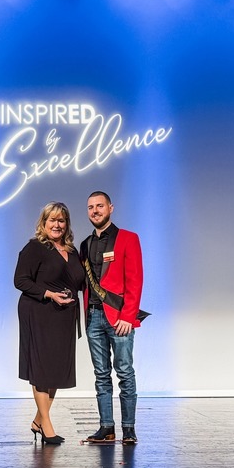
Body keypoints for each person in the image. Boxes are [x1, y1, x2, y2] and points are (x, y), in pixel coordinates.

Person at [14, 202, 86, 446]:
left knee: (54, 371)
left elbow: (80, 282)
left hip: (64, 316)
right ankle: (47, 427)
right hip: (40, 312)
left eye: (61, 221)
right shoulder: (35, 248)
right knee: (42, 370)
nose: (57, 225)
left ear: (67, 225)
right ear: (43, 223)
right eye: (52, 220)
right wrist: (49, 294)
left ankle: (38, 421)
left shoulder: (73, 251)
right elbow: (20, 281)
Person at [80, 191, 145, 445]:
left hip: (119, 318)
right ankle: (107, 427)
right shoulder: (84, 245)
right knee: (101, 374)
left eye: (99, 206)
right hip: (93, 316)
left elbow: (135, 280)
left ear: (110, 208)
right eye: (90, 207)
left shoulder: (128, 238)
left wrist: (128, 315)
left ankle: (129, 429)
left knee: (125, 372)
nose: (95, 210)